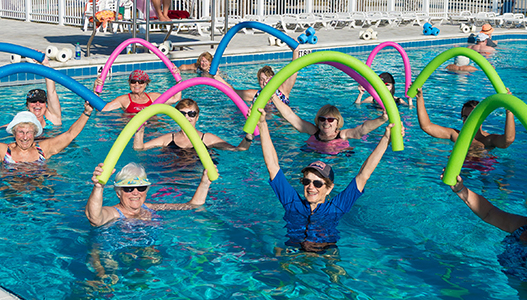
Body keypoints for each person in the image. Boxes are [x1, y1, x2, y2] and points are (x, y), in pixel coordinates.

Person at [256, 107, 400, 253]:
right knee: (277, 252)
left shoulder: (337, 207)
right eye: (307, 182)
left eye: (318, 183)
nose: (311, 187)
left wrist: (386, 139)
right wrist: (262, 124)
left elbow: (364, 174)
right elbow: (273, 166)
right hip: (293, 251)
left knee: (336, 271)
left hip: (325, 252)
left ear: (329, 188)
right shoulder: (292, 202)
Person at [0, 103, 92, 163]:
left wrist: (86, 113)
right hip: (12, 191)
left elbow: (70, 134)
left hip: (39, 190)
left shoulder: (44, 148)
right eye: (21, 132)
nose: (24, 137)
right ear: (14, 133)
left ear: (35, 134)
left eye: (29, 132)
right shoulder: (3, 151)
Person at [85, 162, 213, 227]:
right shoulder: (114, 213)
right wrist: (98, 187)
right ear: (119, 193)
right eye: (128, 189)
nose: (136, 192)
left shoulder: (148, 207)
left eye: (141, 188)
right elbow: (95, 219)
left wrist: (205, 182)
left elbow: (191, 206)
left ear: (146, 191)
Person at [0, 57, 62, 132]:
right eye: (33, 101)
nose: (37, 104)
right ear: (27, 105)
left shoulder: (53, 119)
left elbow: (51, 91)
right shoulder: (21, 123)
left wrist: (46, 64)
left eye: (41, 101)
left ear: (46, 104)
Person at [270, 94, 389, 154]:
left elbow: (362, 129)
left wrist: (382, 119)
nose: (326, 122)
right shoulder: (314, 131)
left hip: (339, 161)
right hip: (313, 158)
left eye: (331, 120)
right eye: (322, 119)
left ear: (337, 122)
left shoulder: (343, 135)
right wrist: (273, 97)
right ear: (318, 120)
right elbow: (290, 116)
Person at [133, 99, 254, 152]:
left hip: (197, 177)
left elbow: (238, 149)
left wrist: (249, 135)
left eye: (191, 114)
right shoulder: (169, 138)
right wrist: (140, 131)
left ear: (197, 116)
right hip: (172, 178)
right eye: (182, 114)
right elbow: (140, 148)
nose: (186, 117)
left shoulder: (208, 139)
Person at [415, 88, 515, 151]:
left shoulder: (488, 140)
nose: (467, 120)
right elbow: (426, 126)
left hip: (483, 169)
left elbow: (508, 140)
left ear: (482, 118)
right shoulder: (456, 135)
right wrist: (419, 99)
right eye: (465, 117)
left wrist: (509, 111)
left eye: (471, 116)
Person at [94, 70, 181, 113]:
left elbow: (176, 98)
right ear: (129, 83)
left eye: (140, 82)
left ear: (146, 84)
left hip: (152, 130)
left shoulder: (154, 97)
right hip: (132, 132)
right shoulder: (123, 100)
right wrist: (96, 90)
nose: (136, 84)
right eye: (133, 81)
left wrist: (178, 79)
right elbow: (102, 109)